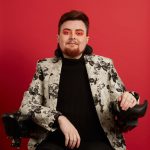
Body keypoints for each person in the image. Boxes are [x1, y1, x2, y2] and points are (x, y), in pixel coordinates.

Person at [19, 10, 139, 150]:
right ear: (58, 37)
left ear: (87, 39)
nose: (72, 37)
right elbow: (27, 107)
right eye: (66, 32)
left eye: (79, 33)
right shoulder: (44, 67)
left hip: (97, 141)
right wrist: (59, 119)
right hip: (54, 142)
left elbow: (120, 100)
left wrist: (128, 98)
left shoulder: (104, 65)